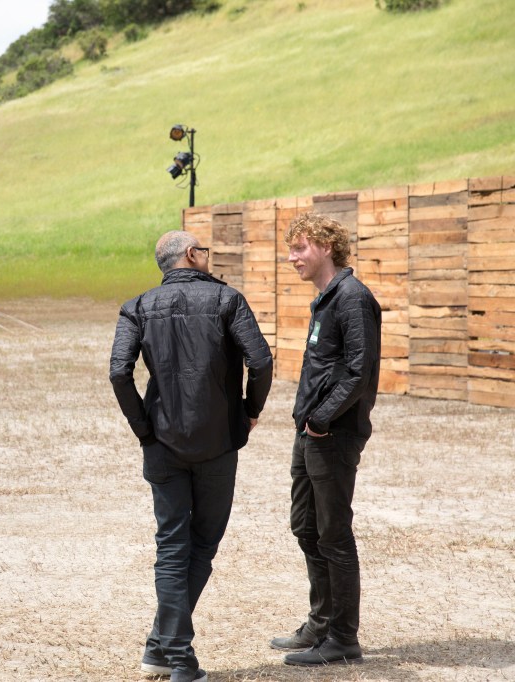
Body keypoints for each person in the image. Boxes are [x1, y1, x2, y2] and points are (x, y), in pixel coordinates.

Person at [110, 230, 273, 682]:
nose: (208, 257)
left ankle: (159, 649)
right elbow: (260, 362)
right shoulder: (227, 300)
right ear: (191, 255)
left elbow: (118, 373)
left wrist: (144, 428)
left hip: (162, 442)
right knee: (201, 545)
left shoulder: (137, 307)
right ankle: (180, 660)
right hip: (218, 442)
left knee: (171, 549)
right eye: (205, 250)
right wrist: (250, 412)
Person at [270, 212, 381, 667]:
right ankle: (320, 622)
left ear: (326, 247)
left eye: (299, 248)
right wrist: (307, 422)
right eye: (290, 249)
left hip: (332, 434)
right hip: (311, 431)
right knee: (306, 525)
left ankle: (342, 638)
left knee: (334, 534)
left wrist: (320, 419)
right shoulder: (326, 298)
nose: (291, 257)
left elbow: (359, 370)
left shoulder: (352, 298)